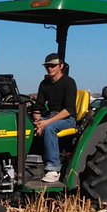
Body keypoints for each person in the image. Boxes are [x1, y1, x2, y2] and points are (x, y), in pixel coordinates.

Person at [32, 53, 77, 183]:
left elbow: (69, 110)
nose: (49, 68)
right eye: (47, 66)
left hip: (67, 119)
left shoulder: (69, 82)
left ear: (60, 66)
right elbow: (38, 106)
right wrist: (37, 122)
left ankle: (53, 169)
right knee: (28, 124)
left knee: (50, 128)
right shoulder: (44, 84)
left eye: (52, 66)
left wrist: (46, 123)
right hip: (49, 116)